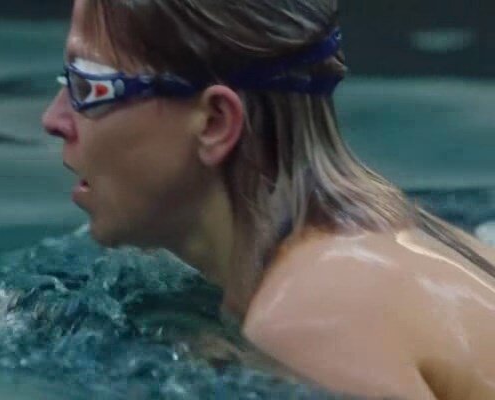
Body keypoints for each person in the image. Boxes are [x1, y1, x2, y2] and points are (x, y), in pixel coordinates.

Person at [41, 1, 495, 398]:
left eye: (88, 86)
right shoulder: (408, 237)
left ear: (215, 122)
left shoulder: (313, 314)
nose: (53, 119)